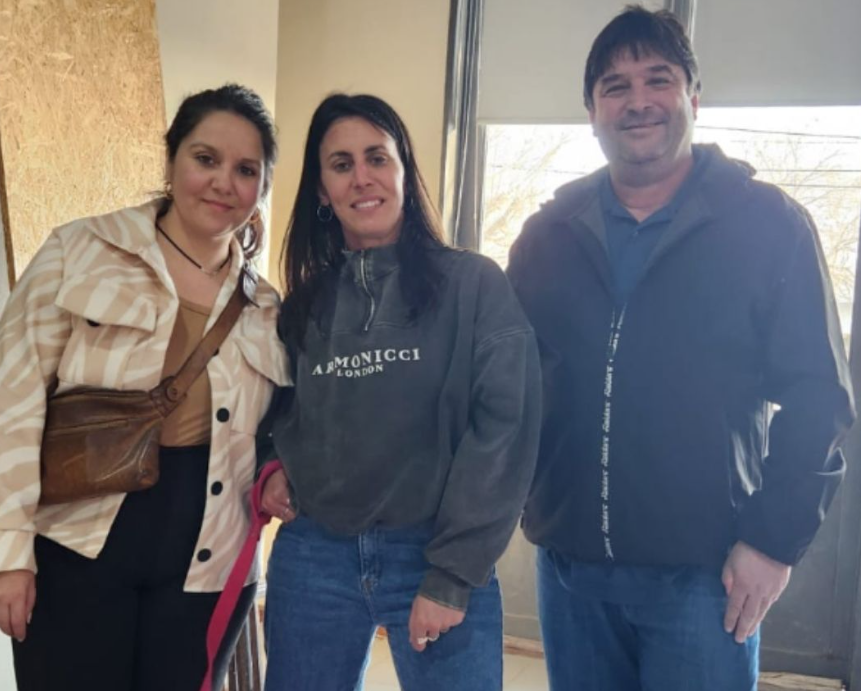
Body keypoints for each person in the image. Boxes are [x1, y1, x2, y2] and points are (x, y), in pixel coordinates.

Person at [506, 7, 855, 691]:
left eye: (657, 80)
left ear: (694, 97)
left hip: (706, 575)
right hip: (571, 570)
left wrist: (772, 542)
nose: (637, 101)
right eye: (615, 86)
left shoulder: (768, 225)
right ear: (591, 111)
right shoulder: (547, 236)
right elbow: (506, 384)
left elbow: (819, 397)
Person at [0, 84, 289, 691]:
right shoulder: (80, 250)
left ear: (261, 187)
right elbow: (13, 398)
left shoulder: (266, 307)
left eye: (245, 170)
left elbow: (276, 431)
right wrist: (9, 552)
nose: (223, 182)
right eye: (205, 158)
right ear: (171, 159)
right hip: (77, 540)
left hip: (206, 556)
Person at [258, 93, 540, 691]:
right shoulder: (304, 305)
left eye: (377, 158)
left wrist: (453, 573)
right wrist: (273, 465)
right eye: (341, 164)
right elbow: (272, 410)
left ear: (404, 171)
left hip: (434, 554)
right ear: (321, 190)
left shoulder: (473, 285)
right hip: (314, 556)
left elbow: (506, 428)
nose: (362, 177)